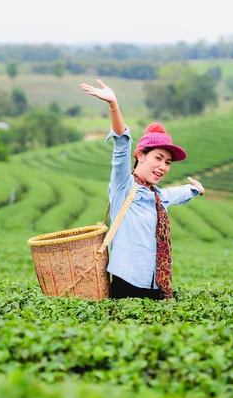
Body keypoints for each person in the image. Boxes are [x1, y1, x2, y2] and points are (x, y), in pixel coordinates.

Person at [79, 79, 205, 300]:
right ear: (140, 156)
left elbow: (178, 193)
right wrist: (113, 105)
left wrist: (195, 190)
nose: (163, 167)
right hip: (127, 283)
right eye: (158, 158)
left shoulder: (158, 197)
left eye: (167, 162)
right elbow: (121, 145)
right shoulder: (123, 186)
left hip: (156, 284)